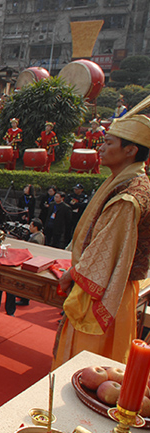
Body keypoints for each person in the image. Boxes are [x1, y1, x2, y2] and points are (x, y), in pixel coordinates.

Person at [53, 105, 150, 369]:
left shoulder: (128, 197)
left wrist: (71, 273)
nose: (101, 148)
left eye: (108, 143)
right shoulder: (127, 181)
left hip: (104, 292)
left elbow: (104, 255)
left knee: (88, 366)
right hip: (108, 285)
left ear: (130, 151)